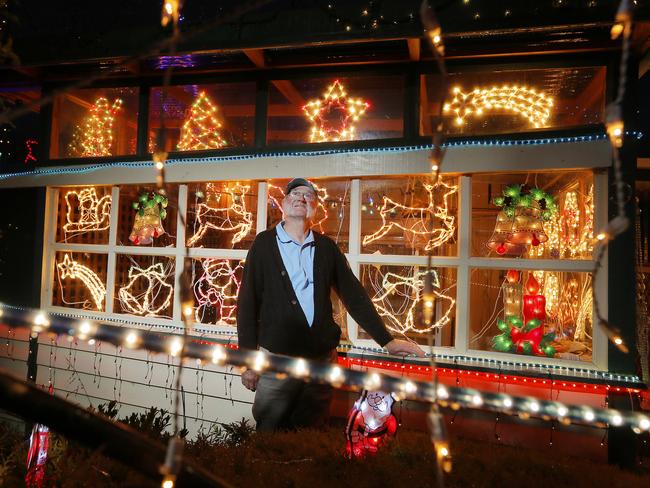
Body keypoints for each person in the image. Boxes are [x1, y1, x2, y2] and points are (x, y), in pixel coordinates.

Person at [237, 177, 424, 431]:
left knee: (312, 428)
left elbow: (353, 295)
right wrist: (248, 361)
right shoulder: (263, 245)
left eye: (307, 195)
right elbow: (247, 304)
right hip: (277, 359)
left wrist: (386, 340)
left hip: (321, 360)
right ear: (283, 204)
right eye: (295, 194)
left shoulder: (325, 247)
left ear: (315, 207)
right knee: (270, 428)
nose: (301, 198)